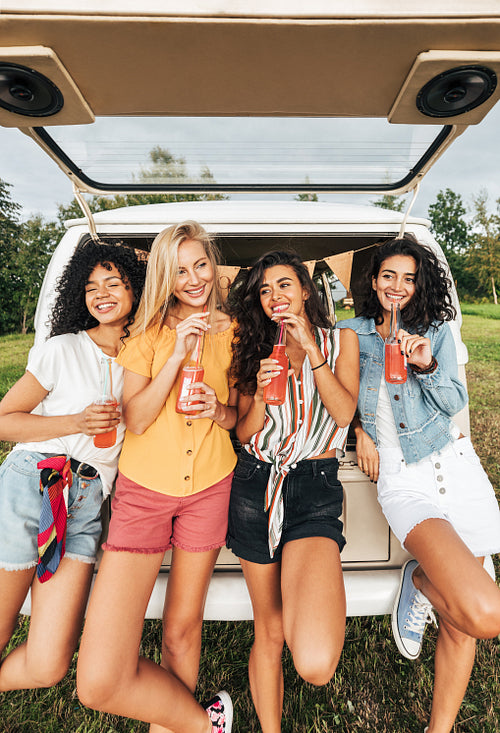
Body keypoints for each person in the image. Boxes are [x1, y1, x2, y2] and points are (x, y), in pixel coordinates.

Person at [77, 221, 236, 733]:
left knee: (182, 632)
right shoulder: (145, 334)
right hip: (143, 494)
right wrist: (174, 355)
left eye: (201, 265)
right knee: (98, 680)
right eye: (179, 271)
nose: (193, 280)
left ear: (213, 264)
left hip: (210, 485)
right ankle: (205, 725)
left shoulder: (233, 331)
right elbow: (137, 418)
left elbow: (238, 417)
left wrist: (218, 409)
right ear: (164, 278)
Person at [338, 234, 500, 733]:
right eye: (389, 275)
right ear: (373, 279)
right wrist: (359, 430)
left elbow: (453, 403)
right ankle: (423, 580)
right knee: (485, 612)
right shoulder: (353, 333)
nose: (398, 287)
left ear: (419, 284)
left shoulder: (437, 333)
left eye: (409, 278)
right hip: (403, 479)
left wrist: (426, 362)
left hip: (455, 464)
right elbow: (337, 397)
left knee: (461, 619)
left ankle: (439, 729)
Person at [0, 240, 145, 692]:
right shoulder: (63, 349)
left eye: (113, 283)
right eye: (90, 287)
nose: (100, 293)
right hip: (33, 485)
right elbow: (4, 420)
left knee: (47, 665)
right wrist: (75, 421)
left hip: (85, 502)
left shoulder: (146, 359)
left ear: (137, 290)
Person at [226, 250, 359, 733]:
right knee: (271, 628)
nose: (274, 296)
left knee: (317, 663)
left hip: (312, 487)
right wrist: (260, 393)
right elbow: (243, 434)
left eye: (284, 285)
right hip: (254, 485)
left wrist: (314, 354)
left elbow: (343, 415)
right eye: (264, 290)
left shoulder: (341, 341)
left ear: (305, 290)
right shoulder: (252, 348)